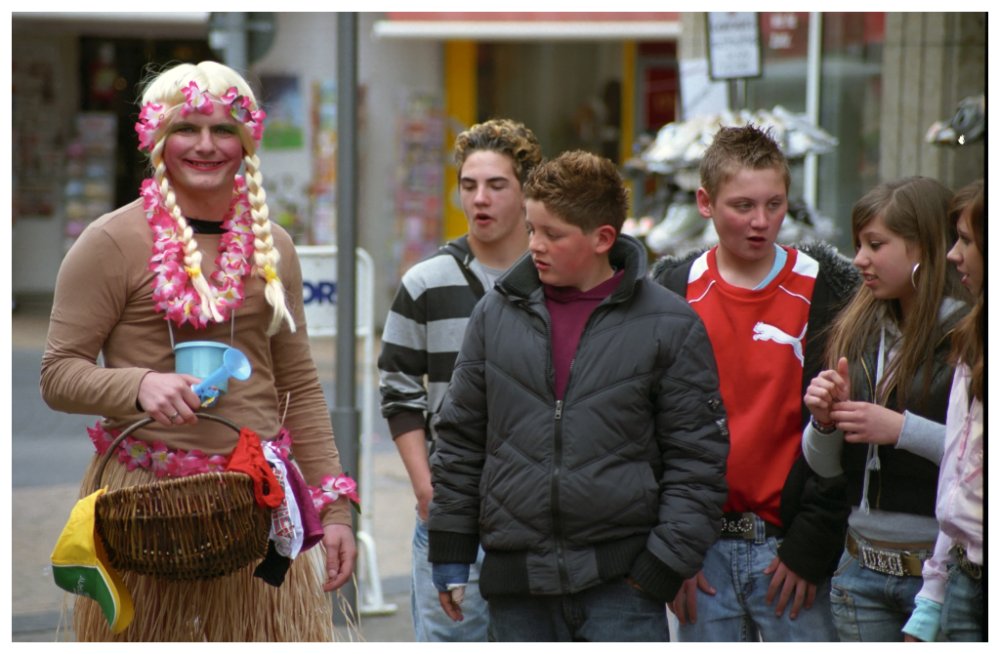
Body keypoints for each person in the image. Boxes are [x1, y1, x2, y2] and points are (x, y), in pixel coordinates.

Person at [40, 61, 356, 641]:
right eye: (188, 128)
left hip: (255, 502)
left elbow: (299, 386)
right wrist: (136, 385)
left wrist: (333, 508)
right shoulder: (110, 241)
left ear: (247, 139)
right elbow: (58, 374)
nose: (207, 145)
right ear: (156, 139)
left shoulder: (274, 244)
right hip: (145, 507)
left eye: (224, 129)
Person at [427, 150, 729, 642]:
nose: (535, 246)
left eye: (553, 234)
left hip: (622, 589)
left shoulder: (670, 324)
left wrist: (661, 566)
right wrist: (450, 549)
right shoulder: (495, 313)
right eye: (531, 229)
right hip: (517, 590)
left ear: (602, 239)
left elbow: (698, 458)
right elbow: (460, 439)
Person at [651, 124, 858, 642]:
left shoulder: (828, 287)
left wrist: (811, 546)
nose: (761, 222)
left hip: (791, 549)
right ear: (705, 202)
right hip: (702, 552)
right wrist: (676, 548)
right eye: (742, 205)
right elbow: (652, 428)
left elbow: (843, 431)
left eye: (775, 204)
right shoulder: (674, 292)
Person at [377, 118, 542, 641]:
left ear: (526, 191)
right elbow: (399, 390)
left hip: (536, 513)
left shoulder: (554, 277)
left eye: (497, 185)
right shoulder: (425, 282)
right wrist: (427, 491)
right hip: (451, 512)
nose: (480, 199)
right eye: (469, 186)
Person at [802, 176, 967, 641]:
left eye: (876, 244)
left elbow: (981, 458)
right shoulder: (858, 327)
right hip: (859, 566)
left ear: (925, 248)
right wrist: (823, 421)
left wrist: (901, 429)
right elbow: (825, 467)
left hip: (940, 574)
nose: (859, 260)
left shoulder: (968, 334)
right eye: (858, 244)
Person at [902, 179, 984, 642]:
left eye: (967, 241)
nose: (955, 255)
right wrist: (932, 600)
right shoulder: (972, 338)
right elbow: (959, 479)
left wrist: (901, 429)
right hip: (960, 577)